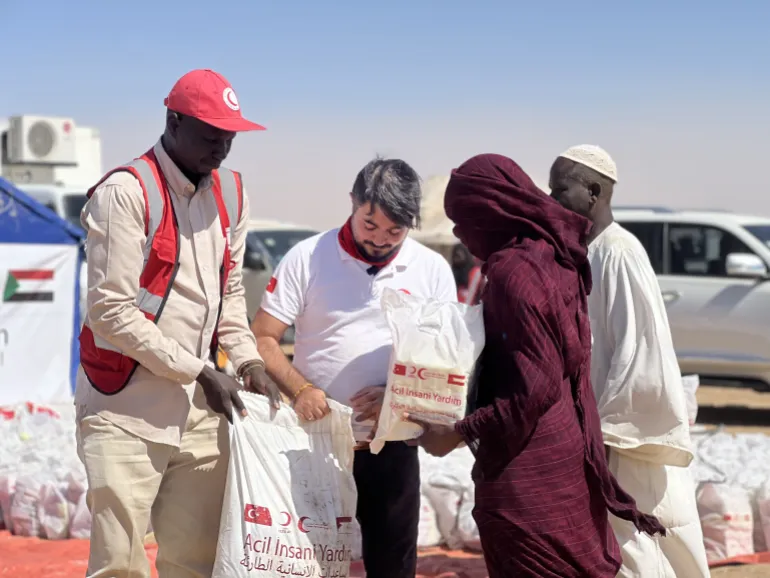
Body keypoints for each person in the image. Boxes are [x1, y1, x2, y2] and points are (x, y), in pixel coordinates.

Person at [406, 153, 665, 578]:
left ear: (492, 213)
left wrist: (458, 432)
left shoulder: (514, 272)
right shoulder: (550, 255)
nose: (457, 231)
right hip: (564, 457)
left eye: (464, 218)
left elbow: (534, 388)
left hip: (530, 476)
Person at [76, 69, 280, 578]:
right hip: (126, 406)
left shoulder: (231, 194)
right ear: (172, 121)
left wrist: (248, 359)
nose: (223, 146)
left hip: (200, 406)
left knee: (196, 559)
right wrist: (200, 370)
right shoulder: (126, 192)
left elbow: (229, 294)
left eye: (230, 135)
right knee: (119, 565)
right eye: (211, 133)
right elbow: (110, 313)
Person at [250, 157, 457, 578]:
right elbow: (264, 338)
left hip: (393, 446)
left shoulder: (431, 270)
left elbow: (445, 363)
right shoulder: (307, 258)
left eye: (395, 231)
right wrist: (301, 390)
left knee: (392, 564)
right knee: (309, 563)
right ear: (352, 202)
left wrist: (398, 400)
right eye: (370, 225)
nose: (380, 240)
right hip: (316, 445)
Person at [550, 144, 710, 577]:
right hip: (599, 434)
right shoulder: (586, 251)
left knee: (645, 551)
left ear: (594, 192)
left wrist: (605, 433)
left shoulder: (619, 252)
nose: (552, 200)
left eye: (559, 189)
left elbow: (641, 353)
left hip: (625, 442)